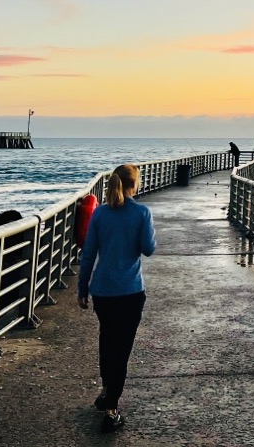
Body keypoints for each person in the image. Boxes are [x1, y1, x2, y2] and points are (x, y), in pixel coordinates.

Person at [78, 164, 156, 433]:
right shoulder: (141, 212)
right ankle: (111, 409)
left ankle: (106, 390)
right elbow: (148, 249)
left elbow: (88, 254)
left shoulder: (100, 213)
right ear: (135, 185)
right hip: (130, 292)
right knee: (121, 349)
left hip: (102, 291)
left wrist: (81, 289)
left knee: (107, 341)